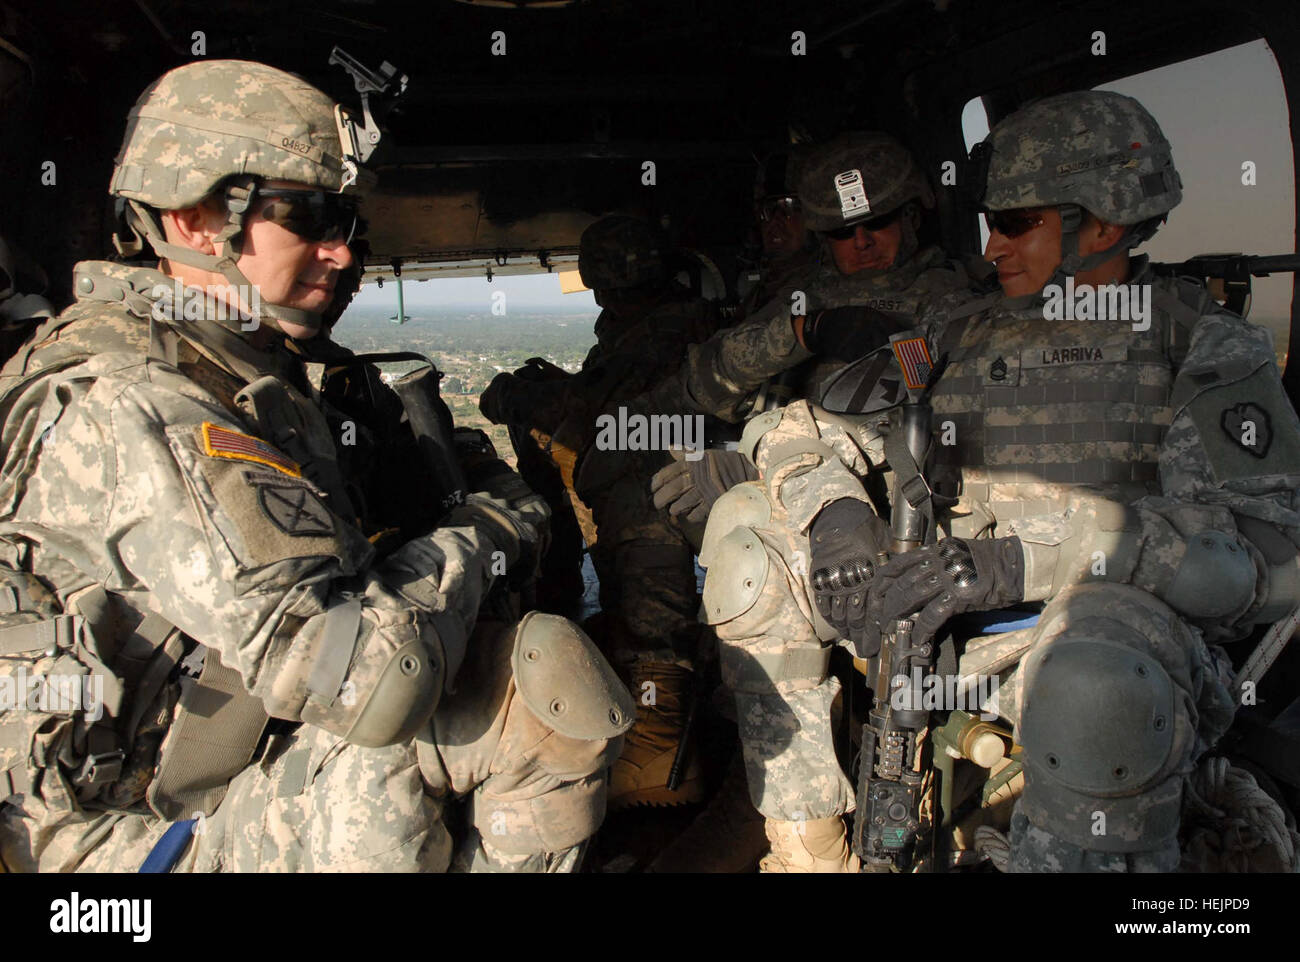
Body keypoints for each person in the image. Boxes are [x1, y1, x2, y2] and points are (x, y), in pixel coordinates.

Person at [0, 59, 633, 873]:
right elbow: (364, 681)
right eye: (306, 218)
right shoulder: (135, 403)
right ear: (195, 219)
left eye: (344, 223)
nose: (340, 254)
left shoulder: (239, 373)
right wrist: (487, 532)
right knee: (531, 682)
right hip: (121, 845)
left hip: (209, 759)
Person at [700, 89, 1300, 871]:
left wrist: (1021, 563)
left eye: (1017, 225)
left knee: (1092, 684)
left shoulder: (1204, 348)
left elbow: (1270, 560)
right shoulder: (960, 332)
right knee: (751, 555)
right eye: (990, 225)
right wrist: (837, 518)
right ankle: (810, 850)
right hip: (934, 603)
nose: (990, 251)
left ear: (1106, 222)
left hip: (1101, 632)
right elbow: (801, 430)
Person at [480, 214, 717, 809]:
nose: (609, 297)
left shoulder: (671, 330)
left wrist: (528, 395)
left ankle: (659, 727)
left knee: (641, 493)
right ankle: (564, 606)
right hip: (662, 459)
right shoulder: (640, 328)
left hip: (687, 475)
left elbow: (625, 419)